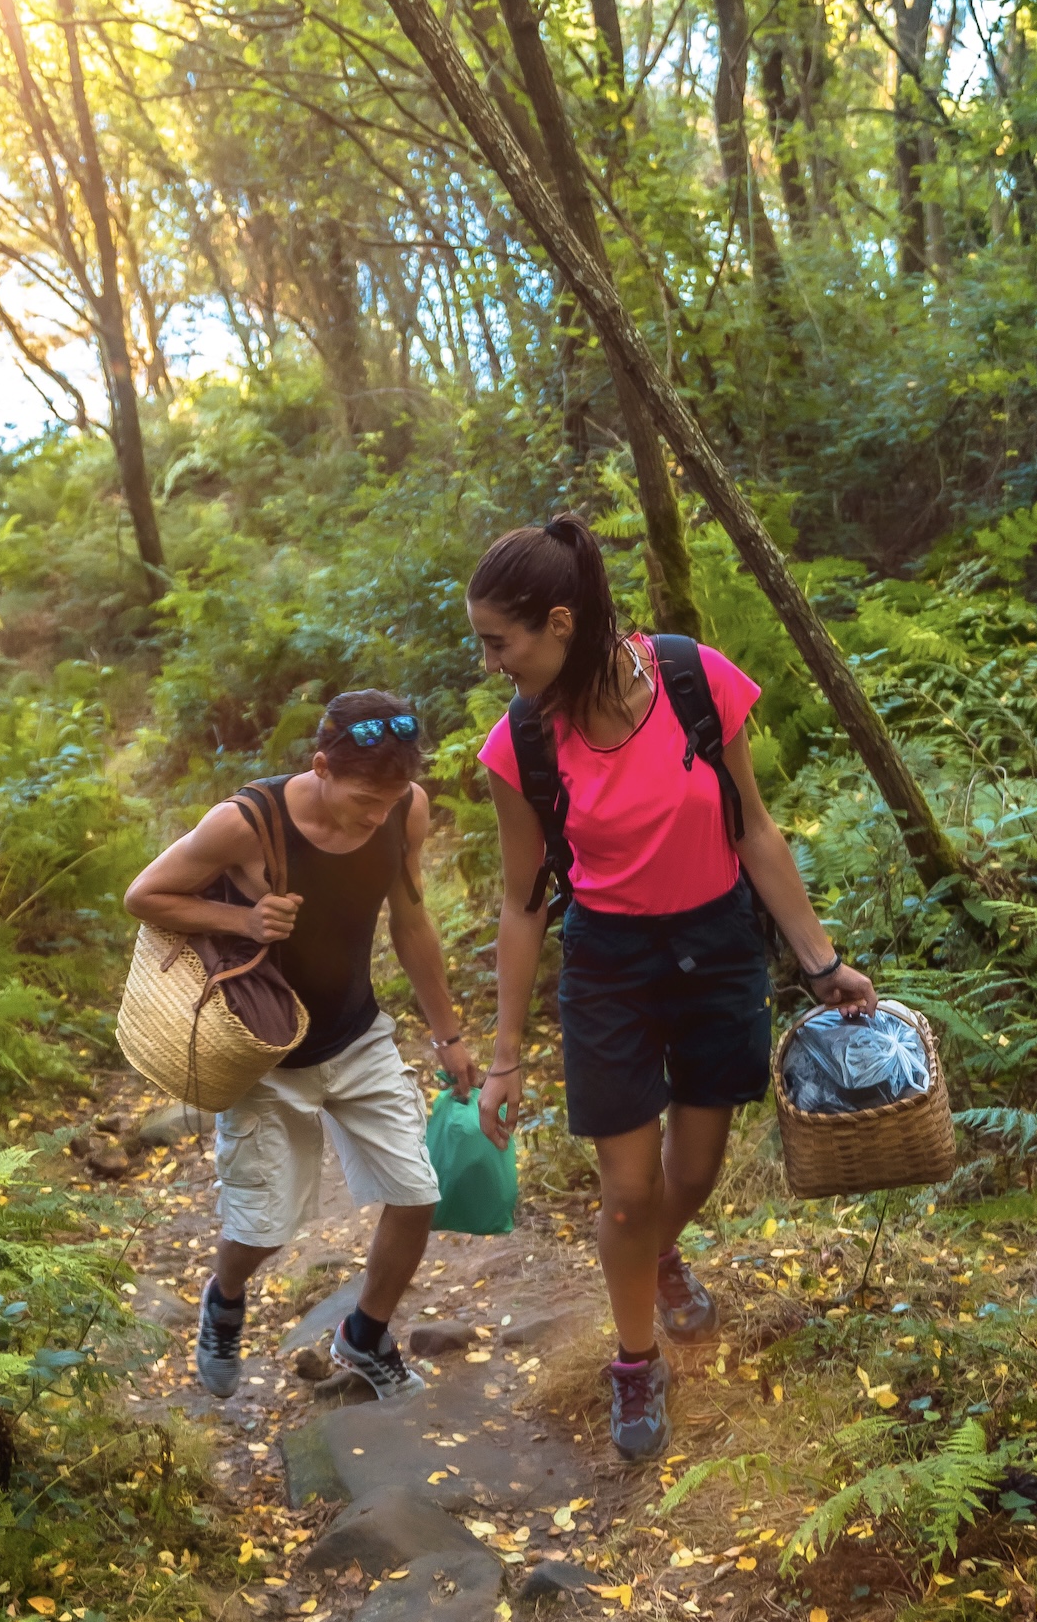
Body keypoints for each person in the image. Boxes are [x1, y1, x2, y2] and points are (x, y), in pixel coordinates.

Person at [468, 516, 876, 1461]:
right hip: (609, 963)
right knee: (626, 1190)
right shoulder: (520, 746)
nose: (490, 662)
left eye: (500, 641)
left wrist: (819, 962)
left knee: (689, 1174)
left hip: (718, 946)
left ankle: (656, 1253)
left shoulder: (694, 680)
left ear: (560, 623)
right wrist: (502, 1059)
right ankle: (635, 1360)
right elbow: (525, 905)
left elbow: (756, 831)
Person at [124, 690, 478, 1402]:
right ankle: (225, 1296)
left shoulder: (404, 809)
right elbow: (146, 894)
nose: (376, 814)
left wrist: (449, 1035)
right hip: (264, 1054)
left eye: (391, 797)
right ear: (319, 767)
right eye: (362, 800)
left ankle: (365, 1336)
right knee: (267, 1226)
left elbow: (411, 923)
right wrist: (242, 918)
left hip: (357, 1033)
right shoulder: (248, 823)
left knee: (416, 1194)